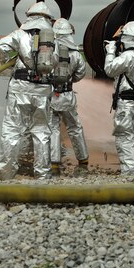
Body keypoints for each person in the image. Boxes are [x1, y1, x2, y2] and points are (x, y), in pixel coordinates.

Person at [0, 1, 56, 180]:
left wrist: (7, 64)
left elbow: (0, 47)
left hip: (20, 88)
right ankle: (43, 176)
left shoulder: (19, 34)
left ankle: (6, 175)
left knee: (12, 131)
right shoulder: (52, 38)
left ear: (29, 16)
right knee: (42, 132)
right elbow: (55, 62)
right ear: (47, 18)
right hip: (43, 90)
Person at [104, 21, 134, 175]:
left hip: (126, 102)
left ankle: (130, 174)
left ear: (128, 38)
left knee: (124, 136)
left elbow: (110, 69)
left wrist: (110, 51)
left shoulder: (129, 55)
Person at [48, 18, 89, 176]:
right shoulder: (76, 54)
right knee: (75, 127)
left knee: (53, 128)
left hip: (52, 95)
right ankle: (83, 159)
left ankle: (54, 162)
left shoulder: (51, 51)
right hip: (68, 95)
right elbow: (80, 74)